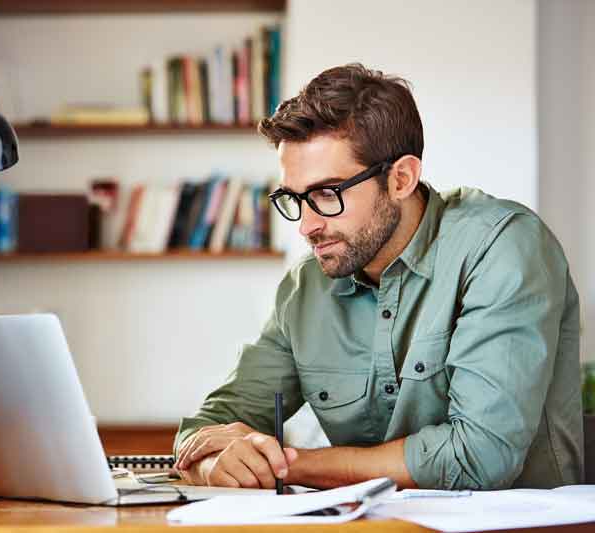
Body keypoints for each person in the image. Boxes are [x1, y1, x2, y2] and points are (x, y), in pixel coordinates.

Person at [173, 63, 583, 491]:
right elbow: (211, 427)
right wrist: (215, 461)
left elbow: (479, 456)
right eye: (294, 198)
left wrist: (285, 465)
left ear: (401, 178)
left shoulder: (502, 247)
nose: (306, 226)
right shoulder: (305, 288)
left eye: (327, 194)